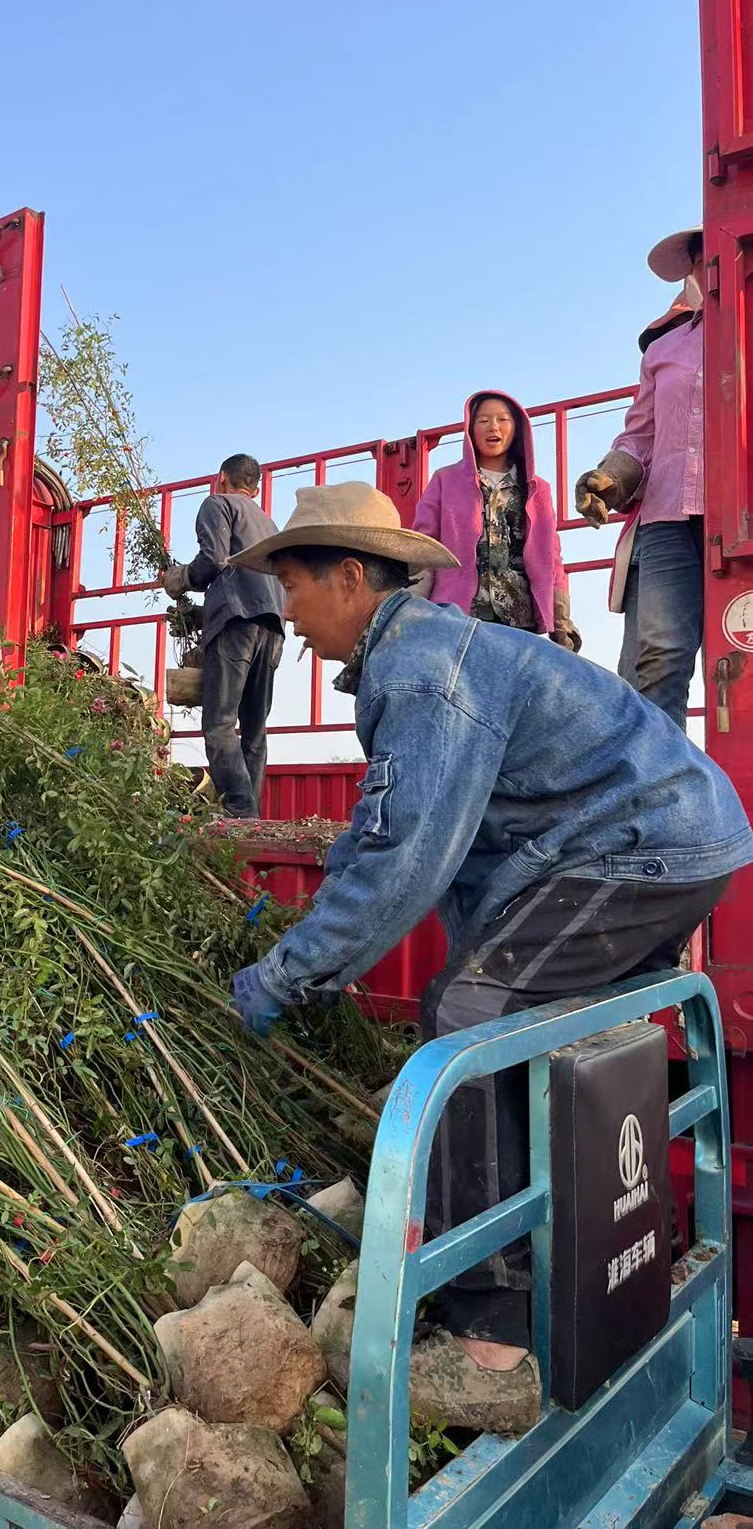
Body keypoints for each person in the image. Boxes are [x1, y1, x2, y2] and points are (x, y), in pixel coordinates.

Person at [226, 481, 752, 1435]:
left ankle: (490, 1352)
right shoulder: (420, 660)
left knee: (466, 1020)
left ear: (350, 577)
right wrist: (314, 945)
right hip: (670, 838)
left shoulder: (422, 672)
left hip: (638, 846)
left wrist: (287, 974)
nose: (286, 614)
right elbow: (397, 835)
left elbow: (405, 861)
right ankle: (608, 1274)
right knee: (555, 1044)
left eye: (292, 586)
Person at [575, 228, 705, 728]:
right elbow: (639, 436)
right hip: (667, 516)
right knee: (659, 657)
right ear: (692, 268)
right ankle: (659, 788)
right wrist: (609, 477)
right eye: (699, 258)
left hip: (738, 515)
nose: (706, 267)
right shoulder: (663, 349)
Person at [159, 454, 285, 819]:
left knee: (219, 723)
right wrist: (202, 614)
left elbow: (213, 559)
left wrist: (181, 578)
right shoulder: (269, 524)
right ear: (256, 489)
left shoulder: (218, 504)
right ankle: (250, 812)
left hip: (236, 622)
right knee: (255, 728)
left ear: (221, 478)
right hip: (273, 626)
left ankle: (238, 807)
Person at [411, 390, 580, 649]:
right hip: (458, 619)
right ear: (470, 429)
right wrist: (414, 613)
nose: (493, 427)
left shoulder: (536, 488)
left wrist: (562, 622)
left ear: (517, 429)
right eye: (483, 420)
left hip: (519, 620)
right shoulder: (445, 480)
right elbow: (424, 548)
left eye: (503, 420)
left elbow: (551, 557)